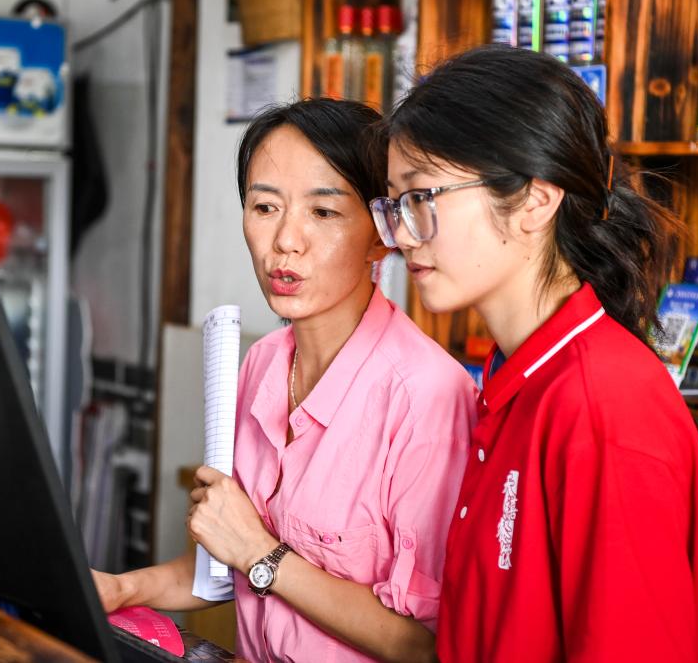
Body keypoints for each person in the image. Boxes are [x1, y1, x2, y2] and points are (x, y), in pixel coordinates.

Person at [371, 44, 698, 662]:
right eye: (395, 205)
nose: (402, 235)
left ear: (536, 201)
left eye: (423, 198)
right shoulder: (520, 377)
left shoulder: (602, 407)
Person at [93, 99, 476, 662]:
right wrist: (121, 589)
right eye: (265, 207)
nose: (285, 241)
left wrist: (262, 554)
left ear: (382, 234)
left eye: (323, 212)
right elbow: (224, 564)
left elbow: (427, 646)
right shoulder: (263, 364)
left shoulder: (428, 396)